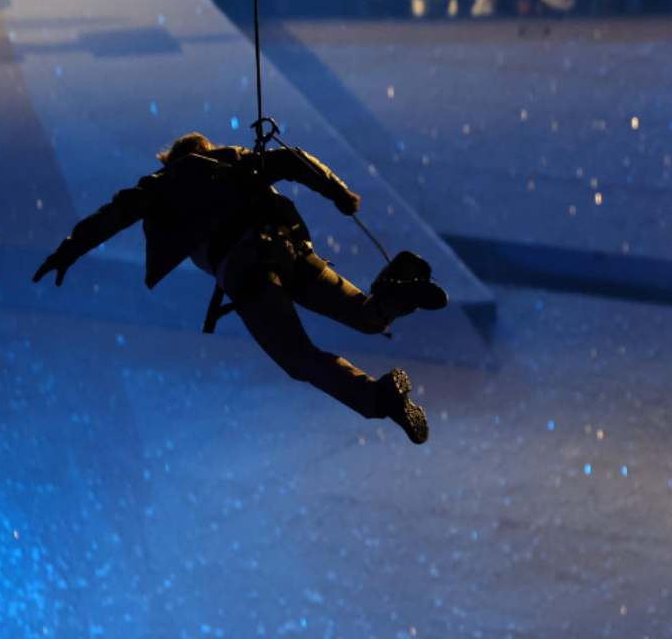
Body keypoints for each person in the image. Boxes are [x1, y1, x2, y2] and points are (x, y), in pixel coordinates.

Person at [32, 133, 447, 444]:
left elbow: (113, 214)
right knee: (367, 316)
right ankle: (395, 295)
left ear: (170, 161)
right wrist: (340, 193)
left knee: (299, 356)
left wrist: (69, 250)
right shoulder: (235, 163)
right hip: (290, 250)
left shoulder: (162, 187)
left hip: (247, 268)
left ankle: (378, 398)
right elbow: (292, 160)